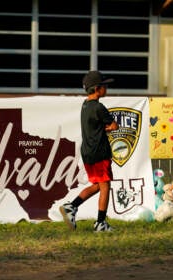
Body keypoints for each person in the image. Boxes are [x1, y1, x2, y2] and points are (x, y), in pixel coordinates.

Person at [59, 70, 119, 232]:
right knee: (105, 186)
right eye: (105, 86)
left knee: (98, 185)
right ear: (97, 88)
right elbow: (114, 126)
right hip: (99, 152)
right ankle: (100, 223)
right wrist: (108, 127)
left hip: (87, 152)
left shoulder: (85, 105)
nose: (107, 88)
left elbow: (94, 127)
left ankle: (71, 207)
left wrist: (102, 128)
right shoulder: (99, 107)